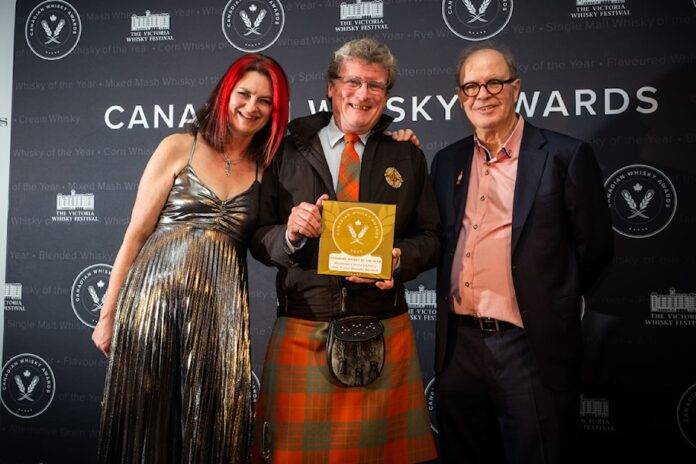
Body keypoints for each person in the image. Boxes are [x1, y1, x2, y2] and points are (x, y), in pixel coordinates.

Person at [91, 53, 290, 463]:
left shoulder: (267, 167)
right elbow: (137, 233)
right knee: (145, 419)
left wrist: (393, 136)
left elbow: (329, 131)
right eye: (244, 94)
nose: (251, 107)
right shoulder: (179, 145)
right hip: (153, 301)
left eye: (265, 101)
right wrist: (108, 313)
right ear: (225, 93)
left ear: (275, 110)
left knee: (212, 421)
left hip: (220, 312)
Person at [249, 38, 440, 463]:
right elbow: (258, 236)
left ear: (387, 94)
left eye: (376, 85)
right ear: (331, 87)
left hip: (384, 326)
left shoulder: (406, 154)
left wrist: (399, 260)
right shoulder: (286, 147)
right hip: (304, 324)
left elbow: (432, 238)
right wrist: (291, 235)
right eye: (353, 81)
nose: (364, 93)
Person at [430, 43, 614, 463]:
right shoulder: (446, 161)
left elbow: (595, 249)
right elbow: (433, 238)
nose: (483, 94)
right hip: (458, 347)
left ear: (516, 88)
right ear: (460, 98)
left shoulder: (564, 156)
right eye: (472, 86)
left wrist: (549, 297)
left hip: (528, 346)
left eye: (495, 82)